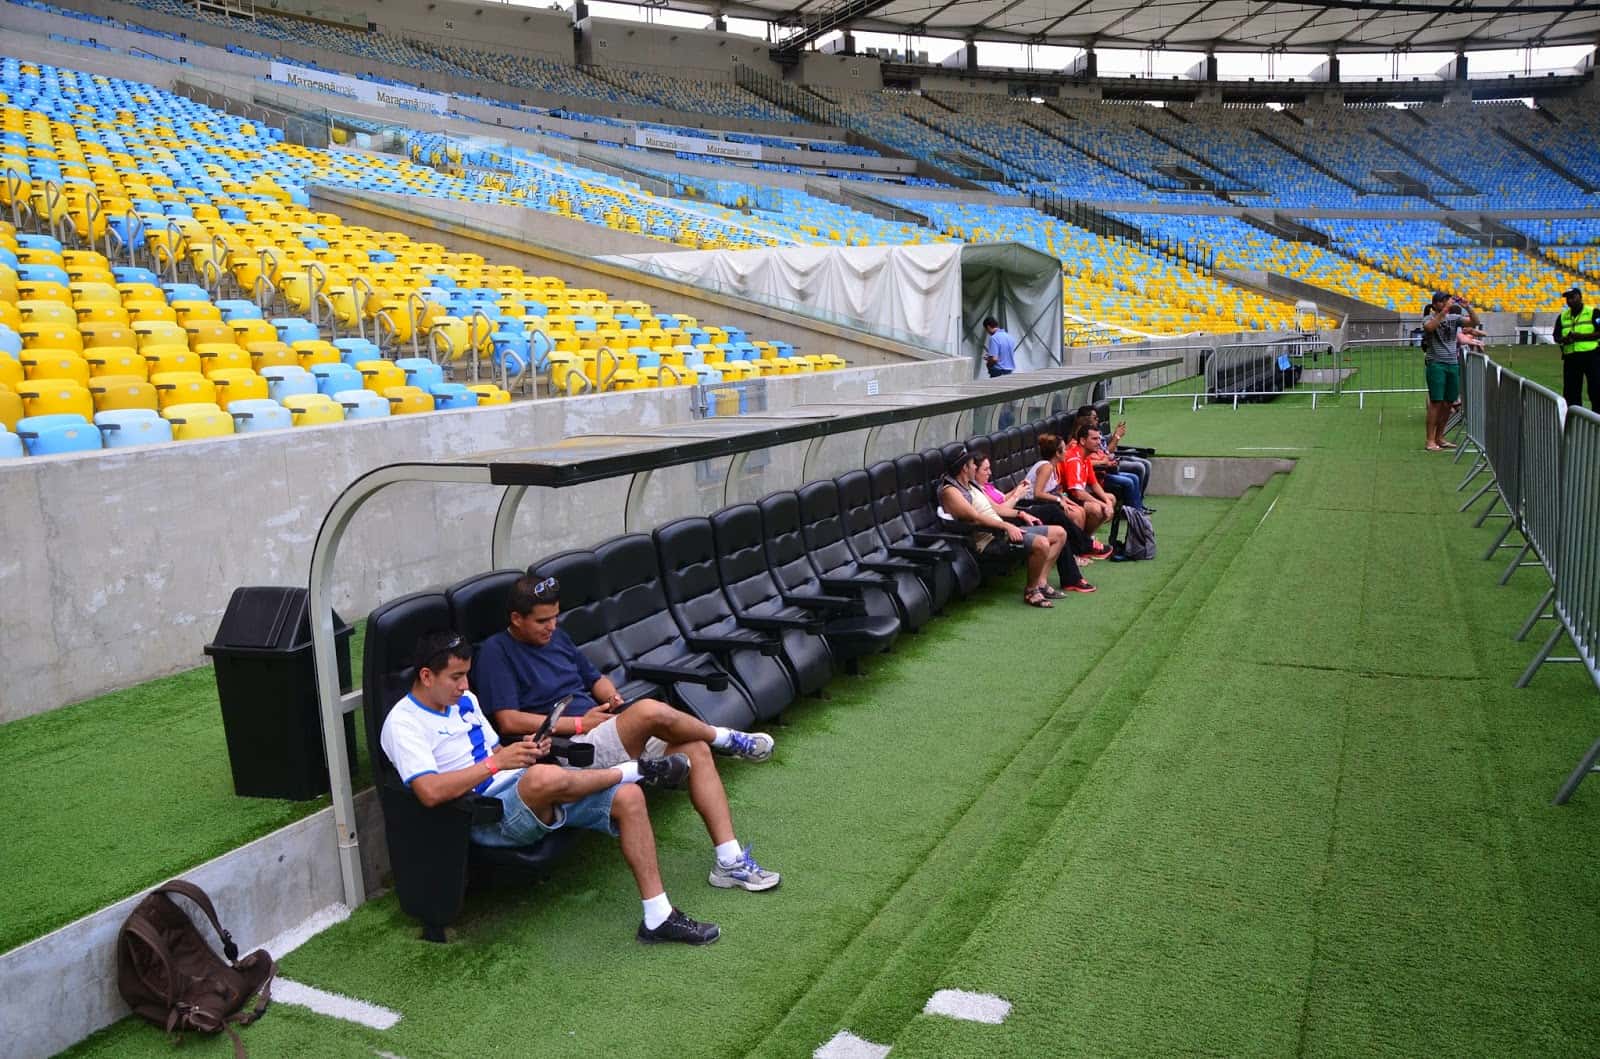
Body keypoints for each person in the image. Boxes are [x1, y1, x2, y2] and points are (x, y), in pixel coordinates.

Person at [380, 630, 721, 945]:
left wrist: (526, 749)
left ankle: (658, 916)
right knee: (541, 777)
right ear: (426, 676)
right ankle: (638, 770)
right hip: (483, 814)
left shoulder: (464, 700)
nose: (465, 684)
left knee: (628, 798)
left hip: (520, 791)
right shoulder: (404, 722)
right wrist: (497, 764)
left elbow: (495, 752)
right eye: (456, 677)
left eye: (466, 674)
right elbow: (429, 791)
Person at [472, 575, 781, 895]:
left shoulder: (558, 638)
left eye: (555, 616)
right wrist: (580, 724)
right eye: (542, 621)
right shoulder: (496, 652)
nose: (551, 626)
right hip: (571, 750)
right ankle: (727, 739)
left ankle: (729, 862)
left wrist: (610, 697)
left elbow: (594, 679)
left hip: (603, 729)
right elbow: (508, 721)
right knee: (649, 710)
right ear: (516, 619)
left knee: (695, 749)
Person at [938, 448, 1076, 607]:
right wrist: (1007, 526)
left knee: (1059, 533)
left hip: (1001, 531)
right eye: (972, 464)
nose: (975, 467)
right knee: (1042, 543)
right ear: (964, 467)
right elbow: (974, 518)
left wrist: (1020, 514)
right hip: (988, 540)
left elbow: (997, 508)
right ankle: (1031, 592)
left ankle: (1041, 583)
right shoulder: (950, 491)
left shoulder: (972, 485)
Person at [974, 453, 1095, 595]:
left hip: (1017, 512)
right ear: (973, 471)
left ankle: (1070, 574)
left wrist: (1017, 489)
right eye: (985, 469)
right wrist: (1017, 495)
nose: (990, 472)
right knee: (1053, 511)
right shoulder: (978, 491)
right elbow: (1001, 510)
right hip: (1008, 520)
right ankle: (1085, 547)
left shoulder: (987, 485)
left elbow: (1002, 499)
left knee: (1058, 524)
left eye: (989, 468)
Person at [1022, 433, 1113, 564]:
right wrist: (1059, 500)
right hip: (1032, 505)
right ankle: (1079, 550)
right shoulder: (1046, 467)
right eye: (1064, 449)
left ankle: (1080, 549)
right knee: (1075, 514)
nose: (1066, 452)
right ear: (1057, 454)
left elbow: (1057, 491)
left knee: (1078, 510)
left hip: (1047, 502)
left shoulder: (1053, 467)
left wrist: (1066, 500)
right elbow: (1038, 493)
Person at [1421, 290, 1477, 451]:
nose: (1446, 303)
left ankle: (1440, 436)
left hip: (1452, 363)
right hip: (1436, 364)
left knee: (1448, 403)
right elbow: (1430, 328)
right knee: (1436, 402)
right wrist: (1445, 312)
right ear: (1435, 305)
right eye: (1442, 301)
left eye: (1447, 300)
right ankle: (1430, 440)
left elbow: (1474, 322)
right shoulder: (1428, 318)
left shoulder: (1455, 319)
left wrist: (1468, 307)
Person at [1060, 422, 1116, 533]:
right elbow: (1078, 493)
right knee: (1096, 509)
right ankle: (1085, 540)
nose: (1099, 442)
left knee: (1111, 498)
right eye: (1094, 439)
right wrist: (1102, 504)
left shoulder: (1085, 458)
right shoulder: (1074, 460)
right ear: (1082, 441)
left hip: (1074, 494)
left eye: (1099, 439)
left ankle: (1087, 537)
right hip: (1064, 495)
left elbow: (1094, 484)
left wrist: (1107, 502)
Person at [1553, 285, 1600, 412]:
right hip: (1571, 358)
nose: (1570, 300)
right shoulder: (1562, 316)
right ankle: (1574, 419)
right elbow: (1556, 337)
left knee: (1596, 389)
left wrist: (1581, 337)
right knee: (1571, 392)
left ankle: (1597, 419)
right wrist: (1565, 339)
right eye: (1567, 298)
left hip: (1592, 356)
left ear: (1580, 297)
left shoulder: (1593, 312)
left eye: (1572, 297)